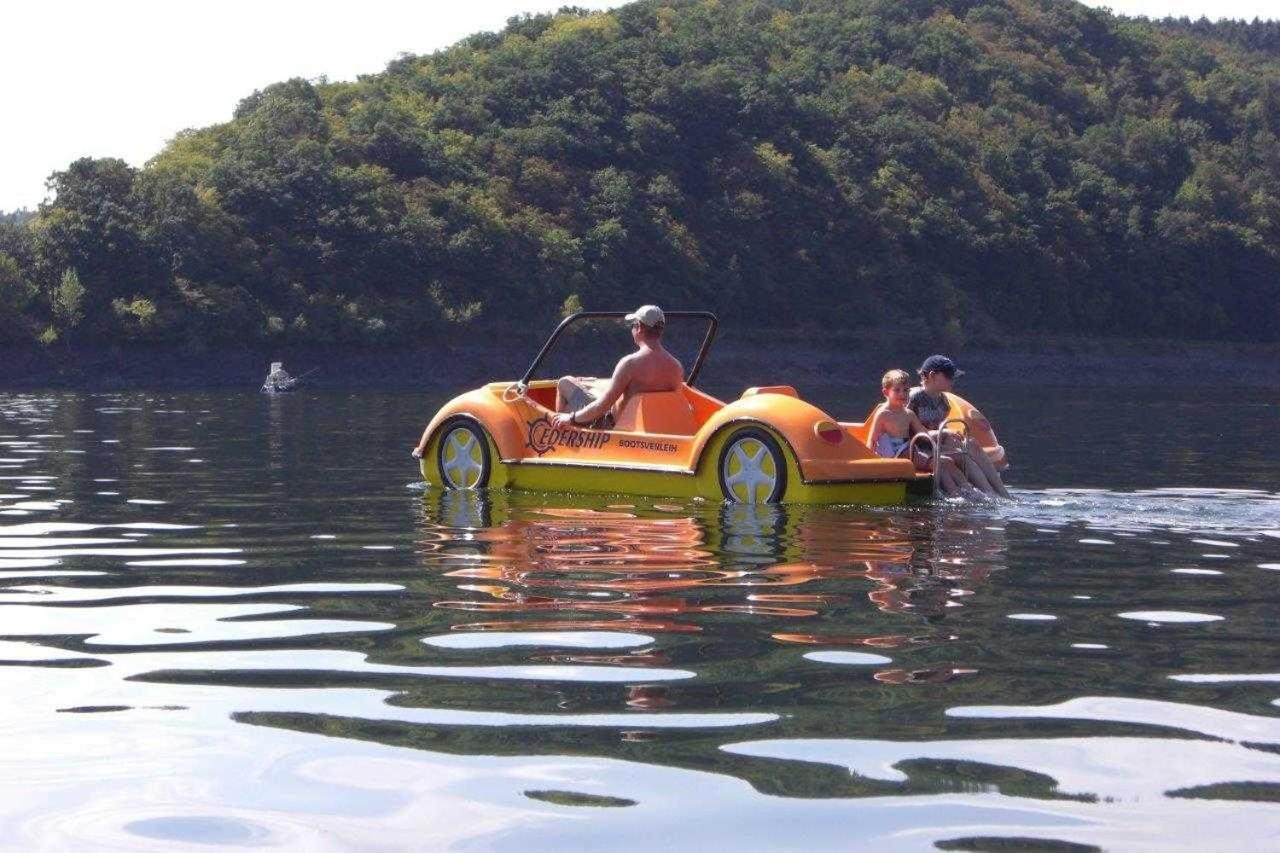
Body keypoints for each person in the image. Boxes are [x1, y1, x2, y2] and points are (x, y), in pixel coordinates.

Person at [549, 304, 683, 430]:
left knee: (564, 382)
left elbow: (601, 406)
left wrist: (570, 418)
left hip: (611, 425)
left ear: (640, 328)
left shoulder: (630, 363)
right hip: (649, 428)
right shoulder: (676, 367)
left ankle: (560, 430)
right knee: (595, 388)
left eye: (633, 325)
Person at [908, 355, 1009, 498]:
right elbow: (906, 432)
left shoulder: (944, 402)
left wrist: (947, 437)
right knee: (960, 455)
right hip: (917, 446)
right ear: (932, 376)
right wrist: (943, 434)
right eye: (949, 377)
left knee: (971, 445)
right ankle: (989, 494)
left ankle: (1000, 493)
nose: (953, 380)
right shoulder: (913, 398)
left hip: (933, 443)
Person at [865, 370, 926, 459]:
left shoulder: (909, 414)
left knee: (944, 458)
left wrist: (943, 433)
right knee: (939, 461)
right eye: (897, 390)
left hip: (906, 451)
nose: (902, 394)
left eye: (905, 390)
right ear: (886, 393)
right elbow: (872, 440)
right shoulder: (883, 414)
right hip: (891, 454)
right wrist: (869, 461)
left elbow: (924, 433)